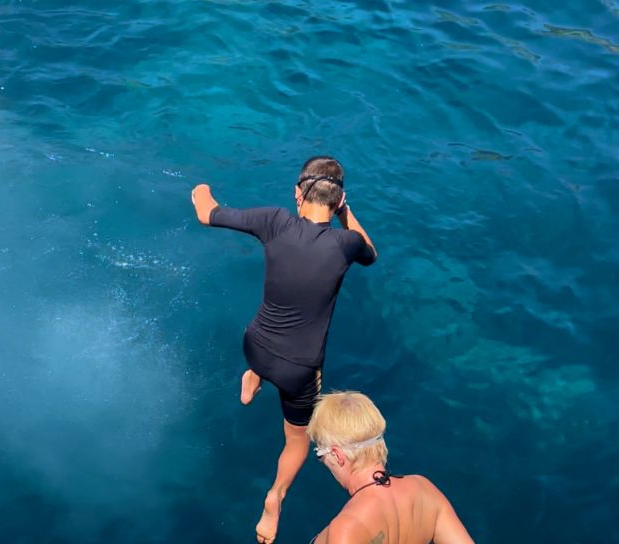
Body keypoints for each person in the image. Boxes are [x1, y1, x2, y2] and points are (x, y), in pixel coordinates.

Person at [190, 156, 377, 544]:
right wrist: (346, 213)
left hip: (254, 346)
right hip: (298, 370)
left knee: (264, 347)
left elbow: (207, 213)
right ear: (339, 199)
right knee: (297, 440)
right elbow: (370, 252)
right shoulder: (346, 244)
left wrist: (201, 189)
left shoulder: (274, 222)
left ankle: (251, 382)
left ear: (297, 192)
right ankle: (274, 499)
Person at [308, 391, 474, 544]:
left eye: (319, 454)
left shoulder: (347, 527)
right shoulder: (424, 490)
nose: (322, 461)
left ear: (337, 455)